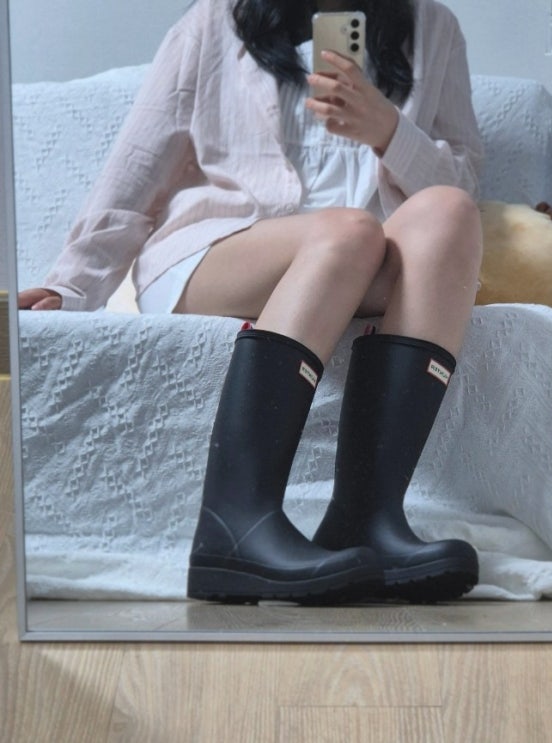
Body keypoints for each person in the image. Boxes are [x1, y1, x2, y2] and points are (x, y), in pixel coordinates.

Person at [18, 0, 485, 605]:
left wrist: (390, 133)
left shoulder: (434, 26)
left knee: (449, 210)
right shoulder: (215, 21)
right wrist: (72, 287)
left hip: (366, 259)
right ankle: (234, 525)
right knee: (348, 230)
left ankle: (366, 521)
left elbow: (464, 178)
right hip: (224, 251)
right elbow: (135, 170)